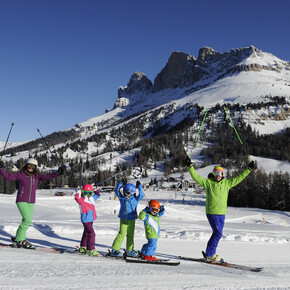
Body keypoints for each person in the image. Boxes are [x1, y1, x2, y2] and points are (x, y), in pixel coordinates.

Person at [185, 156, 255, 262]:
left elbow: (239, 178)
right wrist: (190, 167)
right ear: (213, 174)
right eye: (216, 174)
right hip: (212, 212)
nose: (218, 176)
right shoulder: (208, 183)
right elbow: (196, 177)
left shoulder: (227, 184)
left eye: (220, 174)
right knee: (218, 233)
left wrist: (248, 169)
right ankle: (210, 254)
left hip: (222, 213)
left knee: (218, 233)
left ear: (222, 175)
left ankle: (210, 253)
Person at [0, 158, 65, 248]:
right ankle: (20, 240)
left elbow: (48, 176)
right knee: (27, 220)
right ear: (26, 165)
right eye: (29, 166)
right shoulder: (21, 175)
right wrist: (1, 169)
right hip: (21, 200)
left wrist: (58, 173)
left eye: (33, 166)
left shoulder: (36, 176)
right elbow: (7, 176)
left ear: (35, 168)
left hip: (31, 201)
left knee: (26, 220)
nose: (30, 168)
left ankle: (19, 238)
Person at [110, 179, 144, 258]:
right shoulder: (122, 198)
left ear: (132, 193)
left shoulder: (135, 199)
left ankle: (129, 250)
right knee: (121, 234)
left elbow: (141, 194)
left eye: (127, 193)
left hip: (131, 219)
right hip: (123, 219)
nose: (125, 194)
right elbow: (116, 190)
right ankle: (114, 250)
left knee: (130, 235)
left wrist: (139, 186)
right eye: (124, 192)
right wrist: (121, 183)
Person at [74, 184, 100, 256]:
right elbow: (76, 198)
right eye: (86, 193)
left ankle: (83, 247)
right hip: (86, 219)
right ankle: (90, 249)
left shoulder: (91, 199)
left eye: (90, 193)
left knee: (86, 233)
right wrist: (78, 191)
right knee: (92, 234)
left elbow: (98, 195)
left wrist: (95, 190)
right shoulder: (82, 200)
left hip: (91, 219)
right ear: (83, 192)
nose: (88, 195)